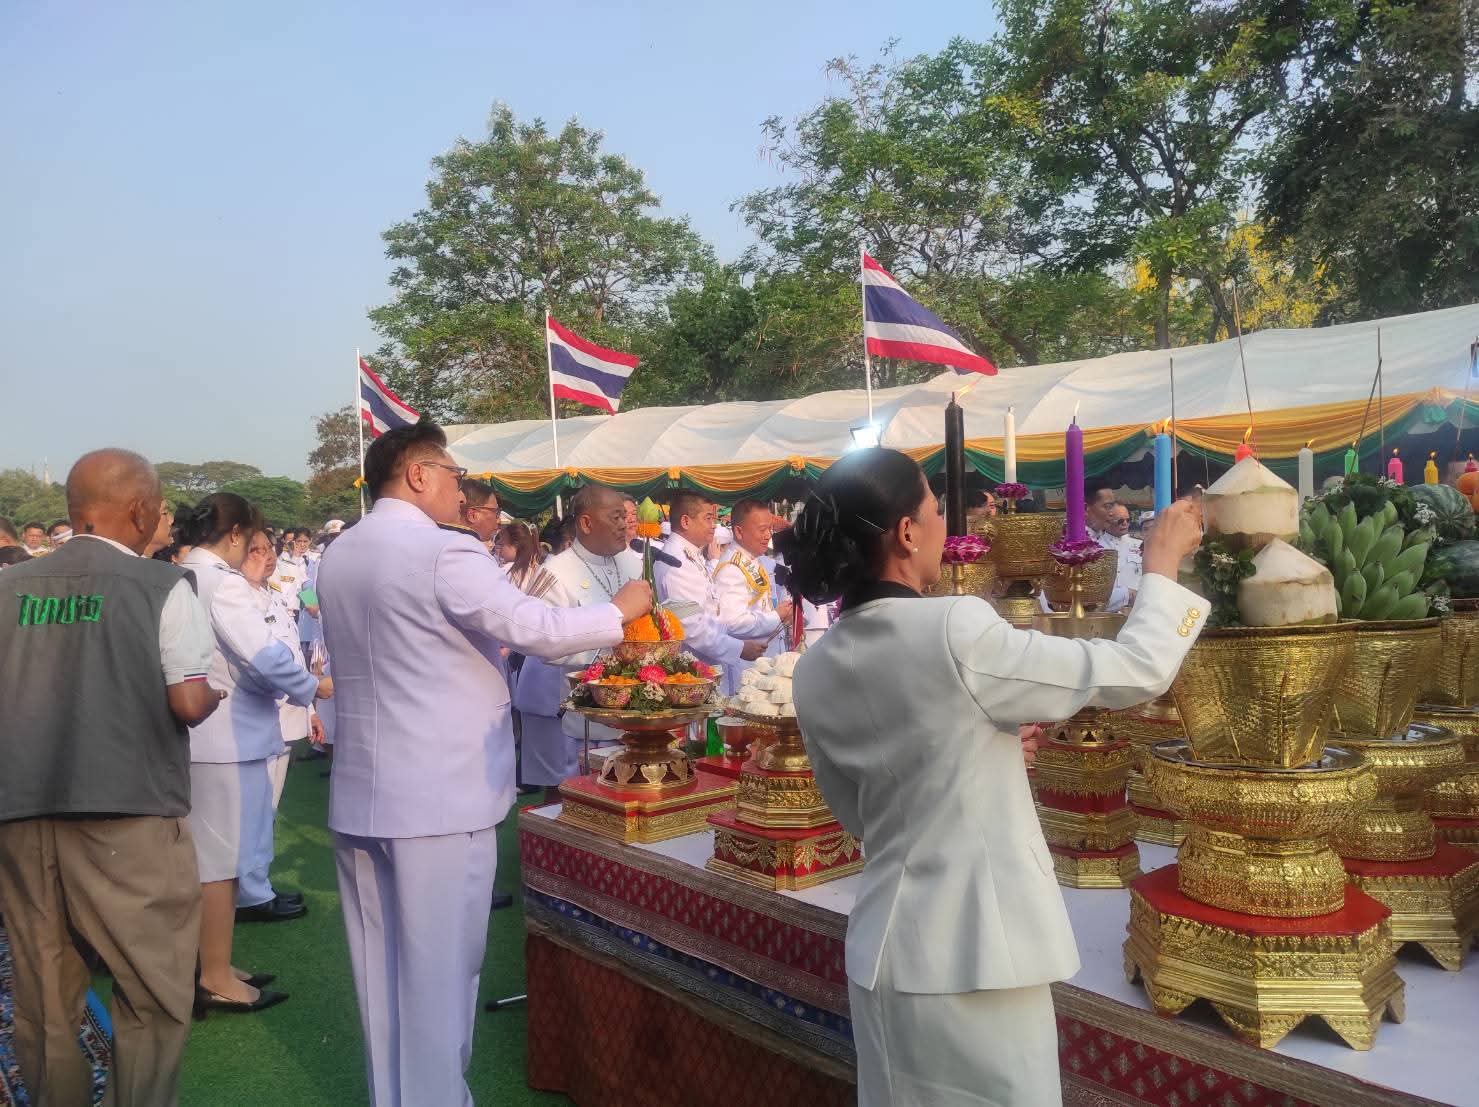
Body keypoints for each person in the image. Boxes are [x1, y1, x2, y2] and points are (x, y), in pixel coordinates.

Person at [781, 448, 1207, 1107]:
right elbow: (1134, 669)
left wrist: (978, 751)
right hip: (972, 955)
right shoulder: (954, 626)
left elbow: (867, 807)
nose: (942, 523)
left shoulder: (814, 666)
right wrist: (1162, 566)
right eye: (933, 508)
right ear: (905, 532)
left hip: (885, 951)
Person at [316, 421, 651, 1107]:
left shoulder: (342, 550)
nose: (459, 488)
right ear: (416, 474)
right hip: (443, 791)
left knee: (381, 974)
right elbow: (535, 627)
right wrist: (619, 609)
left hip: (365, 790)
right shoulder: (444, 550)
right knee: (440, 971)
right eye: (450, 472)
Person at [0, 449, 222, 1105]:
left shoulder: (8, 588)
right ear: (140, 509)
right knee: (152, 992)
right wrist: (213, 696)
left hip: (19, 811)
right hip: (128, 812)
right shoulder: (161, 587)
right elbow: (186, 701)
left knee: (42, 995)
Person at [179, 494, 331, 1013]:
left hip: (213, 734)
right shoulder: (221, 583)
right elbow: (263, 657)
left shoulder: (189, 574)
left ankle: (212, 963)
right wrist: (312, 687)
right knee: (218, 865)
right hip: (225, 735)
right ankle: (213, 976)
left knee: (217, 860)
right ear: (238, 533)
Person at [235, 529, 321, 915]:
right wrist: (314, 689)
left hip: (287, 715)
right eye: (256, 551)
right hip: (259, 716)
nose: (266, 557)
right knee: (253, 810)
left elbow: (292, 658)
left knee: (267, 808)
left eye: (269, 549)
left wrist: (312, 710)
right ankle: (249, 892)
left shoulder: (276, 590)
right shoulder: (235, 599)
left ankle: (258, 885)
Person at [655, 490, 766, 675]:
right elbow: (690, 627)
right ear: (685, 522)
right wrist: (738, 648)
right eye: (707, 518)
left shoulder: (689, 554)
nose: (713, 526)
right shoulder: (676, 562)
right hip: (691, 667)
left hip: (704, 661)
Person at [713, 498, 794, 693]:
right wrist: (777, 616)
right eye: (762, 530)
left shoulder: (751, 559)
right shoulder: (732, 568)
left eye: (770, 529)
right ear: (739, 532)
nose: (768, 536)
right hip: (748, 671)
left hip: (763, 664)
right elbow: (732, 622)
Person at [1083, 478, 1133, 611]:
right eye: (1107, 506)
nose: (1112, 512)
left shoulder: (1099, 539)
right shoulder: (1073, 545)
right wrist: (1128, 595)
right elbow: (1086, 597)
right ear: (1085, 508)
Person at [1108, 503, 1143, 598]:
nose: (1125, 523)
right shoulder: (1098, 545)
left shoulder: (1139, 544)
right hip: (1107, 606)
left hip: (1135, 606)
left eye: (1128, 520)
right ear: (1107, 521)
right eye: (1120, 521)